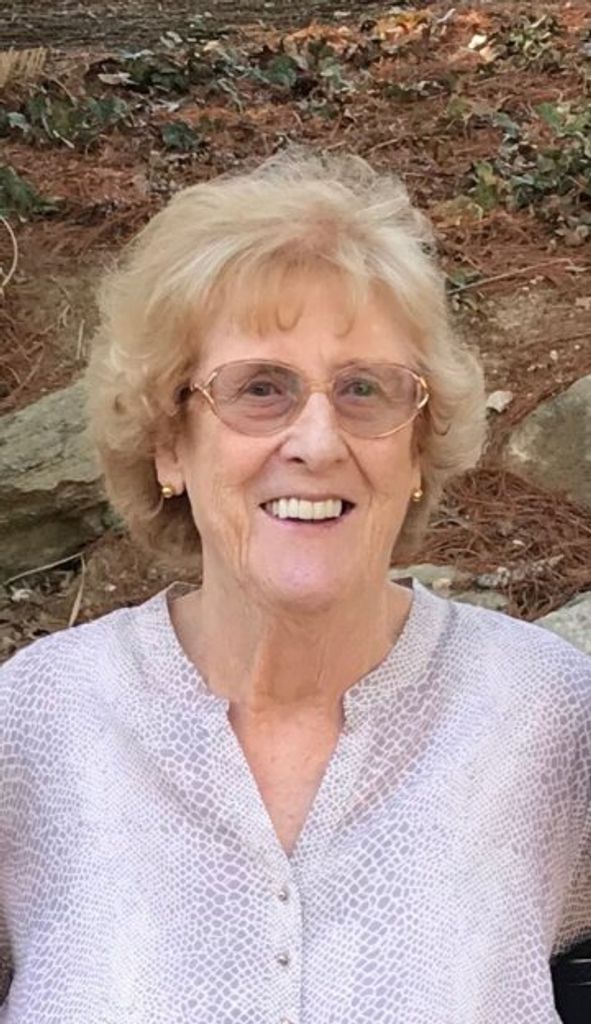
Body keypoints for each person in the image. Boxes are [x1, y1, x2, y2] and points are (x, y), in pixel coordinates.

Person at [0, 148, 589, 1024]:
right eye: (260, 389)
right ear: (169, 444)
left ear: (417, 449)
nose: (316, 440)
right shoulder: (35, 726)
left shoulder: (545, 716)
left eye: (364, 389)